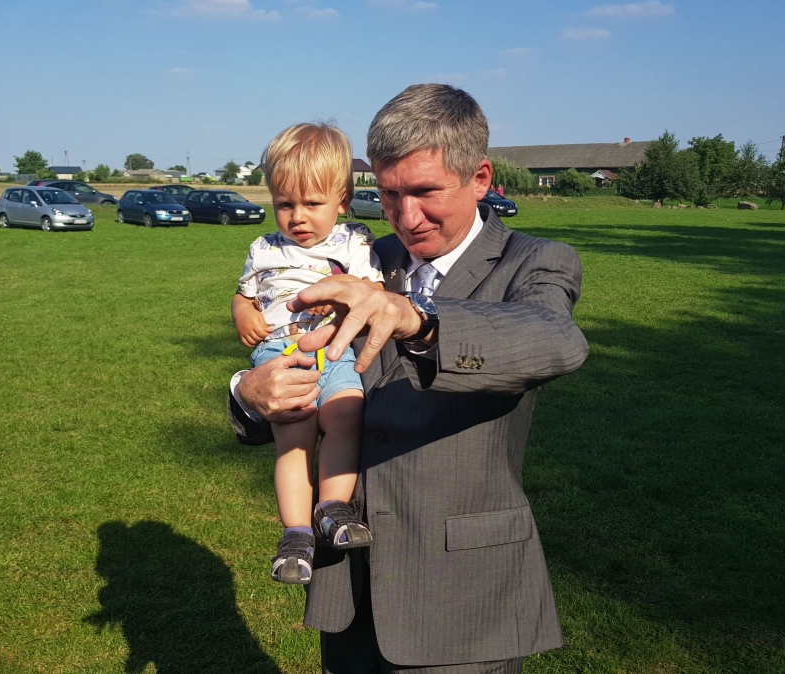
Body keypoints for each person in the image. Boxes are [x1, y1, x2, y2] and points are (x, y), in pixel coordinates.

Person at [229, 84, 589, 673]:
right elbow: (288, 359)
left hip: (461, 598)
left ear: (480, 178)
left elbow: (555, 339)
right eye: (390, 194)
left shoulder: (534, 261)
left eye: (424, 192)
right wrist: (248, 392)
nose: (405, 215)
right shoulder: (361, 258)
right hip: (350, 587)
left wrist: (419, 322)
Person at [232, 122, 384, 586]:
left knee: (345, 413)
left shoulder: (354, 240)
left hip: (334, 347)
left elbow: (373, 290)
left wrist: (338, 293)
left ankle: (333, 508)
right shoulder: (263, 248)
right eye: (285, 204)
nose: (297, 217)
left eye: (312, 204)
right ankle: (295, 533)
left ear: (342, 200)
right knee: (294, 437)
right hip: (281, 352)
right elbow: (244, 295)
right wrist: (243, 314)